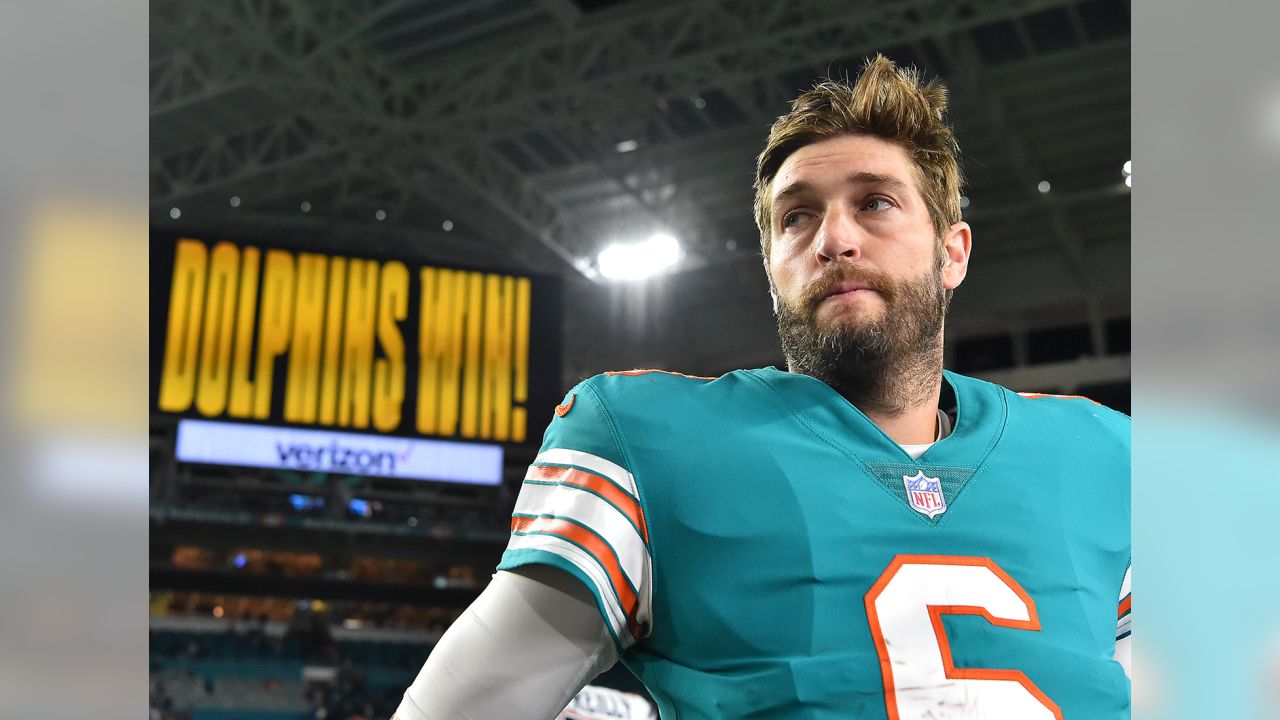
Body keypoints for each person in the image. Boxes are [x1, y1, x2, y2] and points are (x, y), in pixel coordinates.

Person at [392, 54, 1130, 719]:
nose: (833, 238)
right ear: (771, 268)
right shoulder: (649, 441)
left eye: (875, 202)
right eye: (797, 215)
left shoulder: (1105, 458)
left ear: (952, 252)